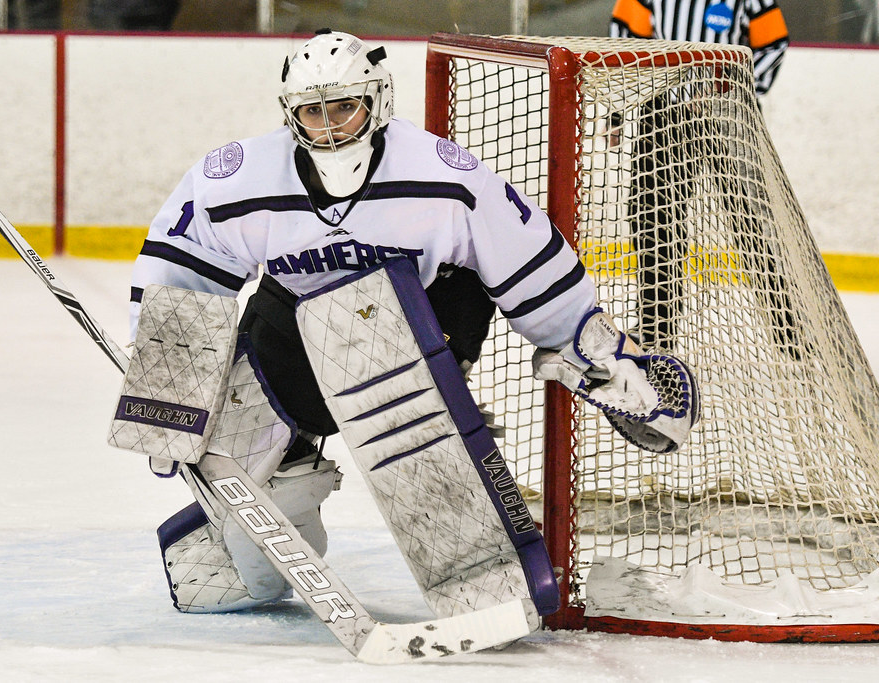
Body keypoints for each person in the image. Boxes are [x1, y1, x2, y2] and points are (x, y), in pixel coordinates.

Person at [129, 29, 691, 617]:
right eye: (311, 112)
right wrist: (167, 398)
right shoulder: (237, 180)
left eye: (345, 107)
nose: (329, 126)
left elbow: (528, 262)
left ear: (379, 101)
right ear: (288, 112)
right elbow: (181, 275)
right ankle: (290, 470)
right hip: (294, 329)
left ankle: (466, 531)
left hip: (418, 340)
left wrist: (603, 352)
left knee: (414, 336)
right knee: (240, 580)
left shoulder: (444, 177)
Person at [609, 0, 796, 352]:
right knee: (653, 220)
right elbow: (625, 39)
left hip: (725, 118)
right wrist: (620, 110)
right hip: (662, 114)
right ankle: (656, 325)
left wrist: (737, 93)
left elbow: (774, 42)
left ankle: (786, 325)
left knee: (750, 219)